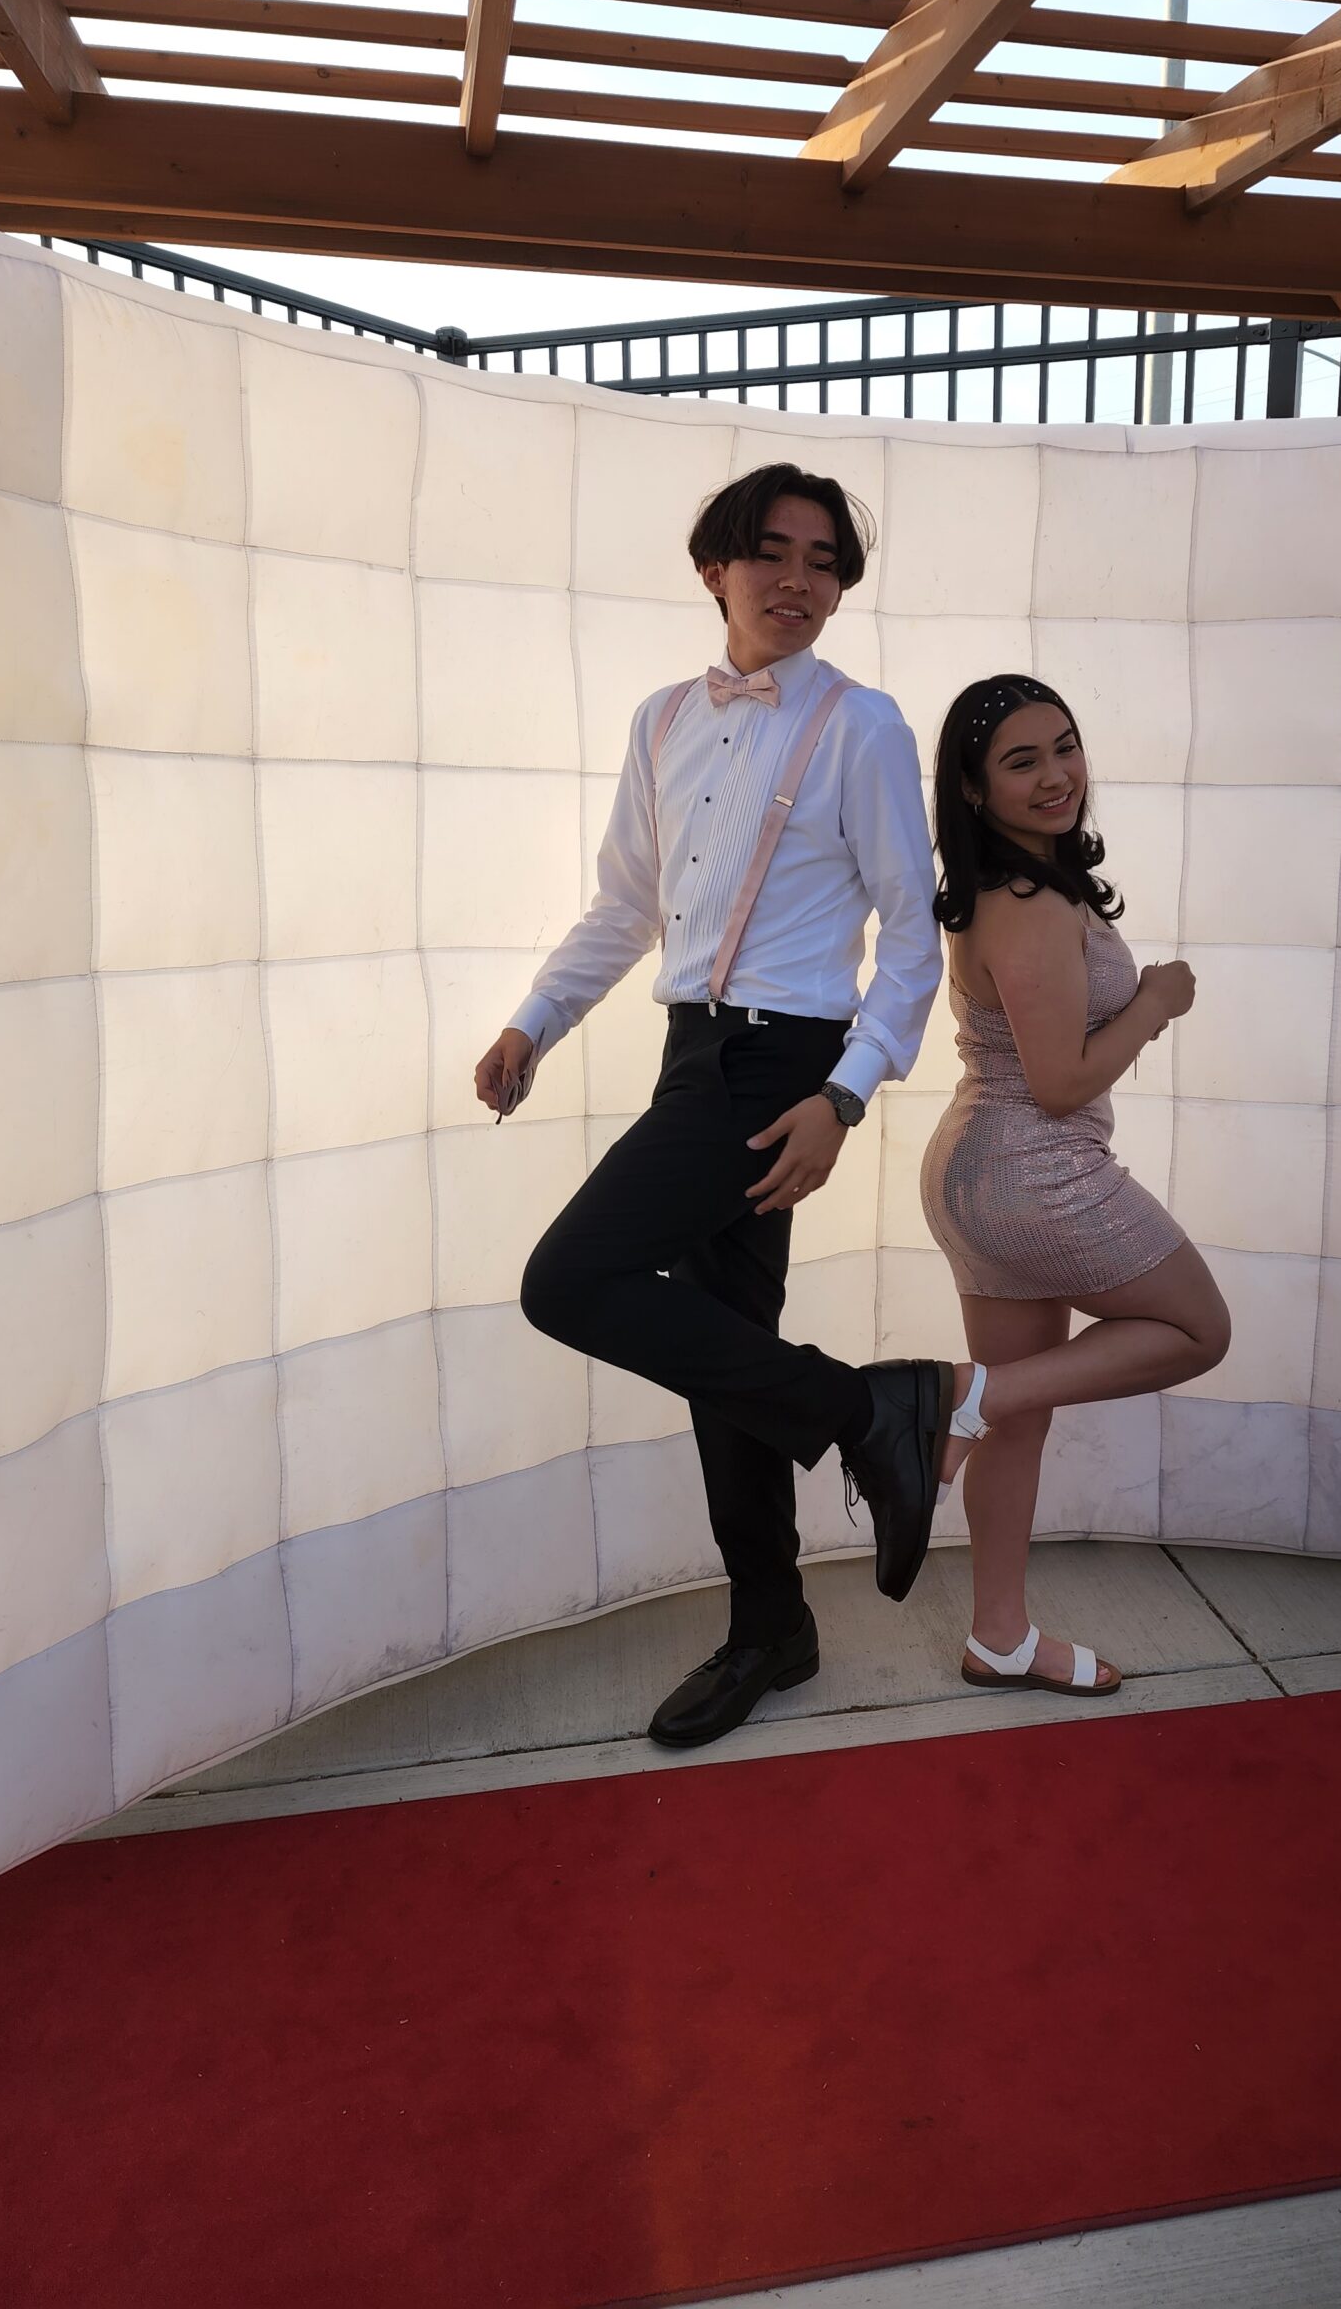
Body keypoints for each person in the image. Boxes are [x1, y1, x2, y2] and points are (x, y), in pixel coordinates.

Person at [473, 464, 952, 1751]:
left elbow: (912, 941)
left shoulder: (863, 726)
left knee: (569, 1279)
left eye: (824, 562)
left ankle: (870, 1411)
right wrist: (536, 1019)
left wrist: (844, 1095)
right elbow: (627, 905)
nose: (799, 581)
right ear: (716, 570)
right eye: (772, 554)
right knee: (725, 1351)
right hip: (692, 1054)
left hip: (780, 1066)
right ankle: (773, 1624)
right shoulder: (662, 720)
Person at [920, 675, 1232, 1699]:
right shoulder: (1027, 903)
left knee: (1019, 1420)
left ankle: (999, 1638)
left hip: (985, 1172)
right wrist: (1156, 1001)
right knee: (1198, 1329)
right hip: (1032, 1169)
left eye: (1065, 746)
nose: (1057, 774)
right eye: (1023, 761)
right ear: (974, 790)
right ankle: (962, 1400)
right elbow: (1059, 1083)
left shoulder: (1022, 888)